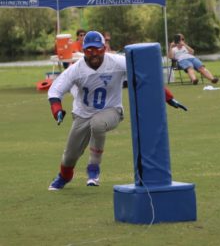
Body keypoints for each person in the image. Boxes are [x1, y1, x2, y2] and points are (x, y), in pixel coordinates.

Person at [47, 31, 187, 191]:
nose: (93, 54)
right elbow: (54, 91)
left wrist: (168, 97)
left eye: (97, 50)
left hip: (112, 110)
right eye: (89, 50)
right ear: (84, 50)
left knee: (98, 123)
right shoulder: (76, 69)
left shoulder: (117, 62)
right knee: (69, 156)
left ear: (104, 48)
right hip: (82, 113)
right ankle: (64, 176)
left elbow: (146, 76)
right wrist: (56, 109)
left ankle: (94, 168)